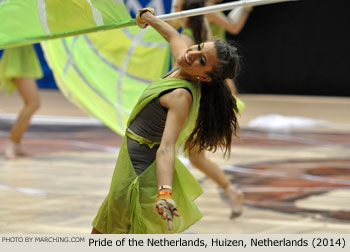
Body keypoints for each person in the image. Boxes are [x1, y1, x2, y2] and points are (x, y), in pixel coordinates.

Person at [91, 7, 240, 234]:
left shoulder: (181, 95)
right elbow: (173, 36)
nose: (191, 54)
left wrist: (164, 193)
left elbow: (167, 148)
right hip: (129, 166)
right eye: (198, 47)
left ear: (204, 77)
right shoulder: (183, 63)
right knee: (102, 230)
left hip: (140, 175)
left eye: (201, 60)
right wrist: (147, 17)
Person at [173, 0, 244, 218]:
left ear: (185, 12)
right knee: (195, 157)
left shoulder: (188, 37)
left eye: (175, 8)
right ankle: (231, 191)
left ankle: (170, 203)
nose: (172, 11)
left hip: (200, 99)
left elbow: (233, 26)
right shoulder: (200, 30)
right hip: (209, 95)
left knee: (167, 150)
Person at [0, 45, 42, 159]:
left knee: (32, 104)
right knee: (33, 103)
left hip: (23, 58)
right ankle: (11, 144)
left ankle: (16, 144)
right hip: (16, 61)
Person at [206, 0, 252, 95]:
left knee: (225, 87)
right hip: (215, 51)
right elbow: (234, 28)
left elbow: (235, 27)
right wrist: (247, 8)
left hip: (219, 50)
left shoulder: (214, 9)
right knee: (228, 88)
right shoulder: (209, 10)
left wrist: (247, 8)